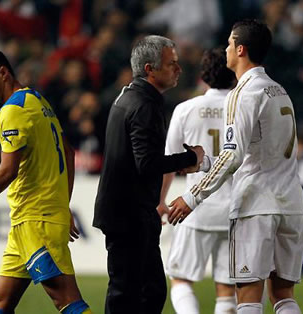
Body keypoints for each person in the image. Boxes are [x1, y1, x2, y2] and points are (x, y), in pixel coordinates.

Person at [0, 48, 92, 314]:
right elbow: (68, 151)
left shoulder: (12, 111)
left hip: (36, 221)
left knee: (66, 300)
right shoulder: (37, 101)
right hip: (29, 220)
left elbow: (7, 170)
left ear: (3, 73)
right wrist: (62, 206)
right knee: (0, 301)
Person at [168, 19, 303, 314]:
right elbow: (262, 149)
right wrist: (204, 162)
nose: (227, 48)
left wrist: (192, 197)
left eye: (230, 43)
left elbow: (232, 155)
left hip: (256, 205)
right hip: (291, 203)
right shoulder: (278, 90)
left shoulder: (243, 93)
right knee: (283, 295)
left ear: (240, 49)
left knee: (248, 296)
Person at [93, 35, 204, 314]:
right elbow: (147, 163)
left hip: (127, 211)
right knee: (130, 292)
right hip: (128, 214)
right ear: (149, 69)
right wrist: (192, 159)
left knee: (145, 290)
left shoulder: (128, 96)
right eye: (171, 64)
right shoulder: (145, 105)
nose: (179, 69)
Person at [157, 47, 237, 313]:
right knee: (227, 288)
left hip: (195, 208)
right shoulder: (244, 108)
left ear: (204, 75)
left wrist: (160, 201)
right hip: (237, 209)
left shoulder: (186, 109)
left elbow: (168, 161)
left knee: (181, 280)